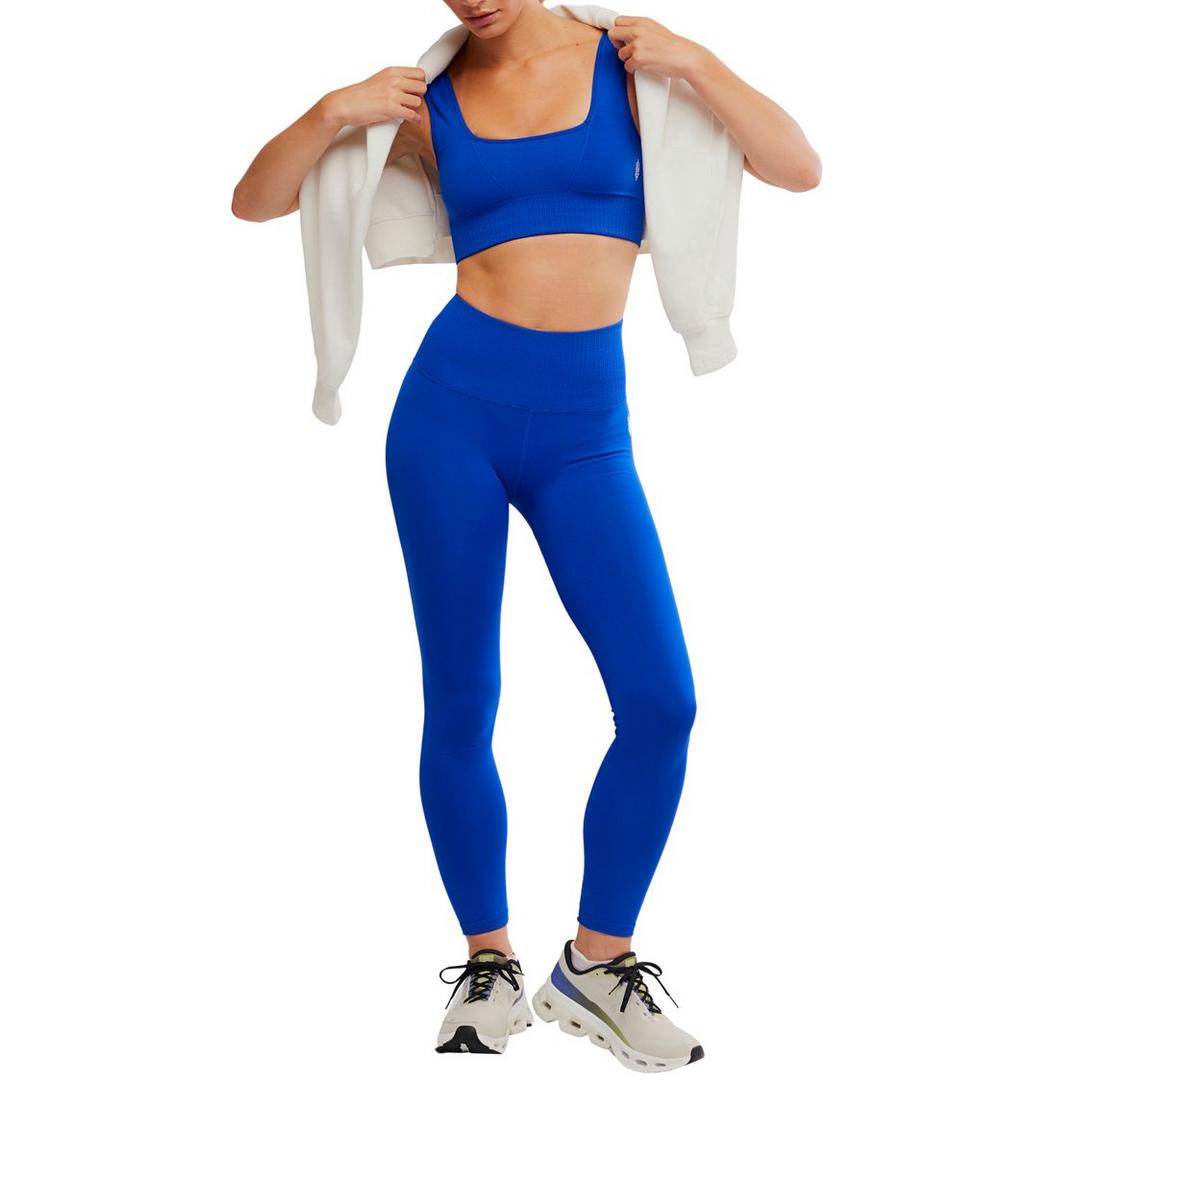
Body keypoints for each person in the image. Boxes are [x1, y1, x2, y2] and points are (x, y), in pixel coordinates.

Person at [232, 0, 820, 1073]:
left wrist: (697, 61)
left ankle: (595, 965)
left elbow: (797, 166)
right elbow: (256, 199)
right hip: (449, 420)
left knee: (662, 703)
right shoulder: (430, 101)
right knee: (463, 702)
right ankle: (488, 965)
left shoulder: (629, 65)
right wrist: (332, 112)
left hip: (587, 437)